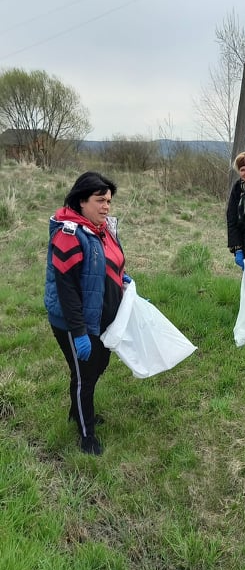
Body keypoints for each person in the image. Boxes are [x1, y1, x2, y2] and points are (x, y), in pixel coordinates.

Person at [44, 171, 131, 456]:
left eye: (109, 201)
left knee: (97, 366)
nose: (106, 206)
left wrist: (123, 281)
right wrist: (79, 332)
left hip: (100, 316)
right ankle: (86, 435)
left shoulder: (103, 229)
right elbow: (66, 289)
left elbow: (109, 264)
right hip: (74, 320)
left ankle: (77, 412)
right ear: (82, 201)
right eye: (100, 200)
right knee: (85, 376)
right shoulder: (69, 234)